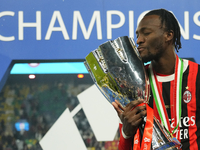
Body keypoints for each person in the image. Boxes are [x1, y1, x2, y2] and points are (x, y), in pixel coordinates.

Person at [112, 8, 200, 150]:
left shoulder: (197, 76)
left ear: (168, 35)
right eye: (138, 35)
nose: (139, 40)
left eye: (146, 33)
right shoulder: (134, 85)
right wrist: (126, 133)